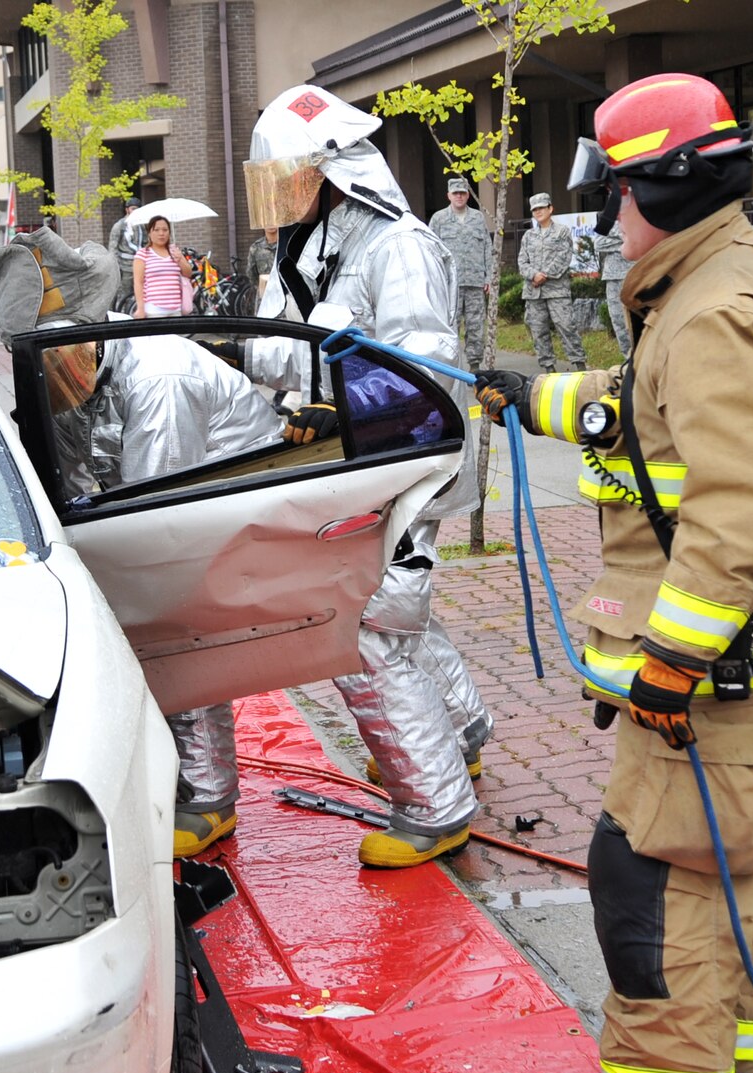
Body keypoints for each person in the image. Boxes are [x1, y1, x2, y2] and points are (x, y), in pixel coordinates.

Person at [473, 73, 753, 1073]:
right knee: (732, 862)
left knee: (656, 860)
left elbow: (738, 507)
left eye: (617, 194)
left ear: (669, 186)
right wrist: (530, 395)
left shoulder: (713, 311)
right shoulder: (717, 281)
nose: (605, 220)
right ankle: (726, 1062)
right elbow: (643, 411)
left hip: (725, 664)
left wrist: (673, 660)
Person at [242, 82, 493, 869]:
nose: (280, 195)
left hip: (405, 455)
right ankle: (461, 729)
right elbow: (304, 348)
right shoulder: (313, 245)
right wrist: (236, 348)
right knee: (402, 603)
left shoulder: (397, 246)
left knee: (369, 619)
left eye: (291, 174)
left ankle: (436, 806)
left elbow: (429, 368)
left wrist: (347, 415)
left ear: (334, 168)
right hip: (358, 455)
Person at [0, 228, 292, 856]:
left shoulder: (161, 377)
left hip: (240, 497)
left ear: (87, 333)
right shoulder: (68, 371)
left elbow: (159, 519)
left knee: (176, 629)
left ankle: (208, 795)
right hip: (171, 497)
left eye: (50, 357)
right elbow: (71, 488)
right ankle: (466, 727)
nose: (46, 373)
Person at [518, 193, 586, 374]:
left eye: (541, 208)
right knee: (538, 331)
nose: (538, 212)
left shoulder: (562, 231)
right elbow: (522, 262)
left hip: (557, 291)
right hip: (534, 293)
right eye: (535, 209)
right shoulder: (528, 236)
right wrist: (533, 275)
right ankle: (548, 368)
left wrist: (544, 275)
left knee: (566, 327)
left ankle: (579, 365)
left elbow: (563, 257)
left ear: (550, 208)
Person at [428, 178, 491, 373]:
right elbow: (430, 249)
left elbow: (487, 248)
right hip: (450, 285)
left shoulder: (478, 218)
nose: (459, 197)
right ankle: (452, 367)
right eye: (455, 193)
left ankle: (474, 366)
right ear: (448, 195)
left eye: (462, 193)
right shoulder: (438, 219)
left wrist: (488, 277)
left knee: (475, 327)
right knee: (450, 326)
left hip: (474, 282)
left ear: (468, 195)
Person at [133, 215, 196, 318]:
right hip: (154, 309)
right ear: (149, 233)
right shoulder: (143, 254)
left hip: (176, 308)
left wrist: (180, 259)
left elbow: (188, 273)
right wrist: (140, 308)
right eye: (156, 230)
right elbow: (138, 282)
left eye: (165, 230)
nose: (161, 233)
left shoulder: (174, 251)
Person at [593, 222, 635, 359]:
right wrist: (625, 241)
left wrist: (620, 241)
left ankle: (641, 361)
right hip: (613, 277)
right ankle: (628, 361)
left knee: (636, 322)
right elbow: (598, 243)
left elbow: (638, 241)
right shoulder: (611, 220)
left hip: (634, 274)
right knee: (618, 322)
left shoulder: (637, 215)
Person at [106, 199, 142, 303]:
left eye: (138, 209)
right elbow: (113, 247)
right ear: (127, 210)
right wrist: (115, 266)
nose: (136, 211)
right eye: (133, 209)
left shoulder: (142, 225)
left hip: (140, 263)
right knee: (125, 293)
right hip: (125, 266)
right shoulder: (120, 226)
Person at [243, 226, 278, 305]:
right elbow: (251, 273)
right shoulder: (256, 248)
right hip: (264, 296)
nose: (271, 224)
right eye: (267, 221)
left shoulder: (287, 245)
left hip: (284, 296)